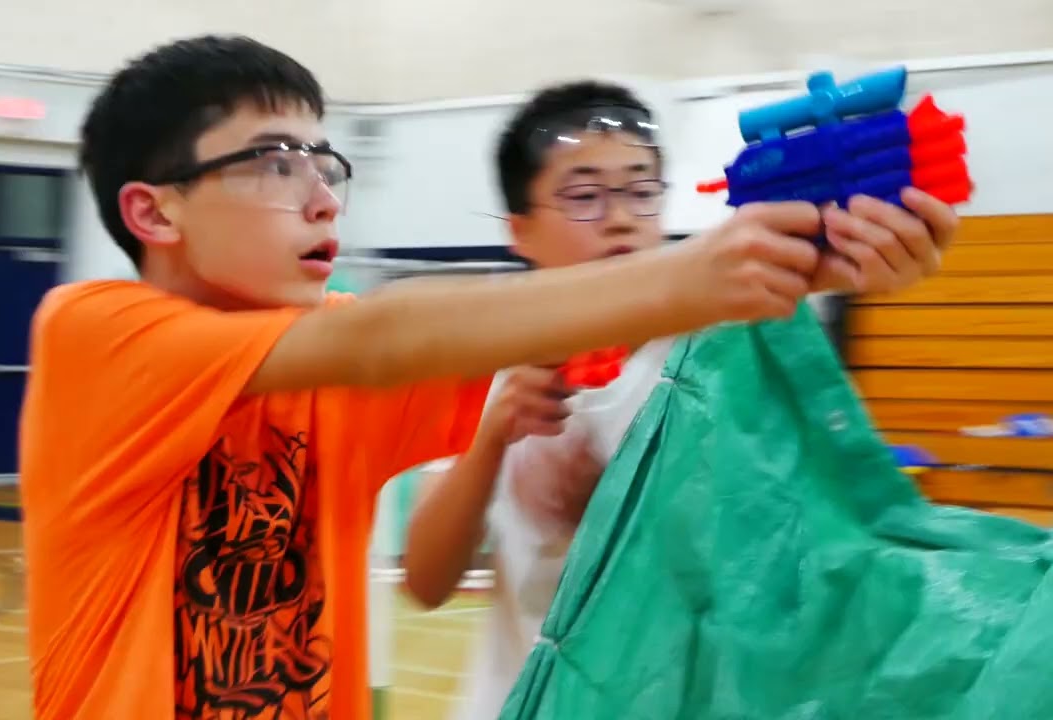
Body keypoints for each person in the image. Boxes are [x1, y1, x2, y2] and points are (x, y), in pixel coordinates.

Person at [18, 36, 949, 720]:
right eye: (272, 163)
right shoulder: (97, 333)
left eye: (323, 162)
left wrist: (813, 260)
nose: (320, 193)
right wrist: (696, 268)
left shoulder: (334, 348)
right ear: (153, 210)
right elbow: (388, 335)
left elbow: (558, 339)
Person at [400, 80, 960, 720]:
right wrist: (492, 439)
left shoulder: (717, 346)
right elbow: (424, 580)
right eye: (584, 196)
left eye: (641, 191)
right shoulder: (479, 368)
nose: (620, 217)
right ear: (520, 229)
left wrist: (874, 250)